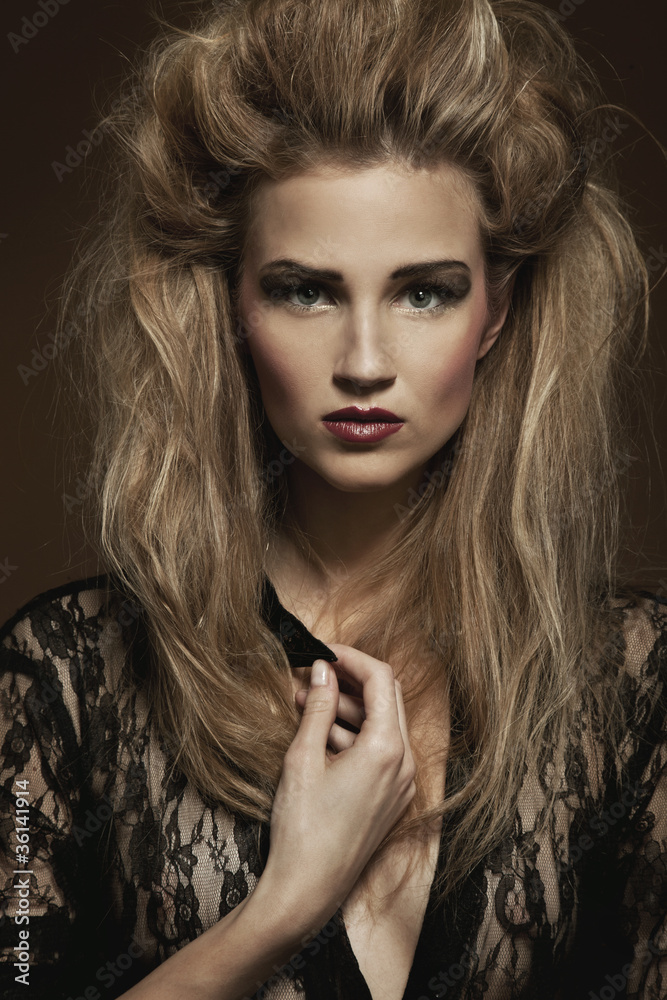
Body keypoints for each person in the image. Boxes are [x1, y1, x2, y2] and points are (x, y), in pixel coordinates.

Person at [1, 0, 665, 998]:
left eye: (424, 291)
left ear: (494, 312)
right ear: (231, 304)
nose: (362, 362)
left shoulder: (636, 685)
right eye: (305, 290)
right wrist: (283, 907)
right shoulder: (63, 678)